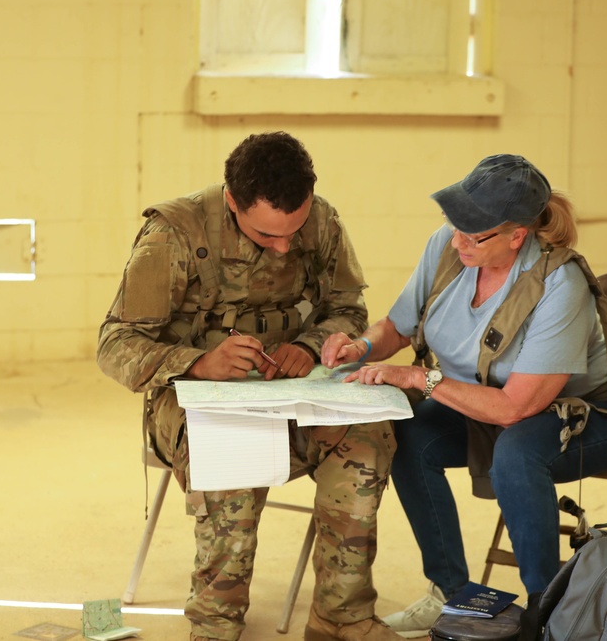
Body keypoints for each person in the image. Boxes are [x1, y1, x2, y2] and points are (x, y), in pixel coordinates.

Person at [321, 154, 607, 638]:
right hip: (488, 400)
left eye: (475, 234)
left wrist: (419, 380)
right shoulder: (449, 245)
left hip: (601, 414)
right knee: (408, 435)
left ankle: (544, 614)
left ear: (517, 235)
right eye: (455, 224)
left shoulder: (559, 284)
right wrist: (358, 347)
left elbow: (516, 409)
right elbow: (398, 325)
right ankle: (451, 595)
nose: (458, 239)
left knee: (518, 453)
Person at [97, 131, 402, 641]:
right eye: (266, 237)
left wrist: (309, 346)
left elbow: (348, 311)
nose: (284, 246)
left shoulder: (323, 220)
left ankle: (341, 616)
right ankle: (216, 623)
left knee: (367, 439)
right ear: (232, 201)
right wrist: (196, 363)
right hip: (192, 403)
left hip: (295, 392)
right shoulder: (174, 234)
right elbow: (115, 343)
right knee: (235, 454)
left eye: (294, 230)